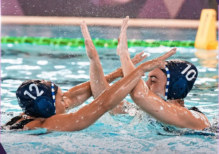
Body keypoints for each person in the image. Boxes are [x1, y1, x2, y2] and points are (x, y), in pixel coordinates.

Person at [1, 20, 176, 132]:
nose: (67, 101)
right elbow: (103, 103)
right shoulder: (48, 124)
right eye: (62, 99)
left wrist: (104, 65)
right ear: (47, 108)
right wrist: (139, 70)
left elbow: (80, 93)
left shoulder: (26, 116)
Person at [116, 16, 210, 130]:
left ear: (175, 88)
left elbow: (139, 95)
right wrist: (96, 61)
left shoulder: (194, 117)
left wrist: (124, 55)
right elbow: (103, 102)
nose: (146, 84)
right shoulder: (144, 110)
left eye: (153, 80)